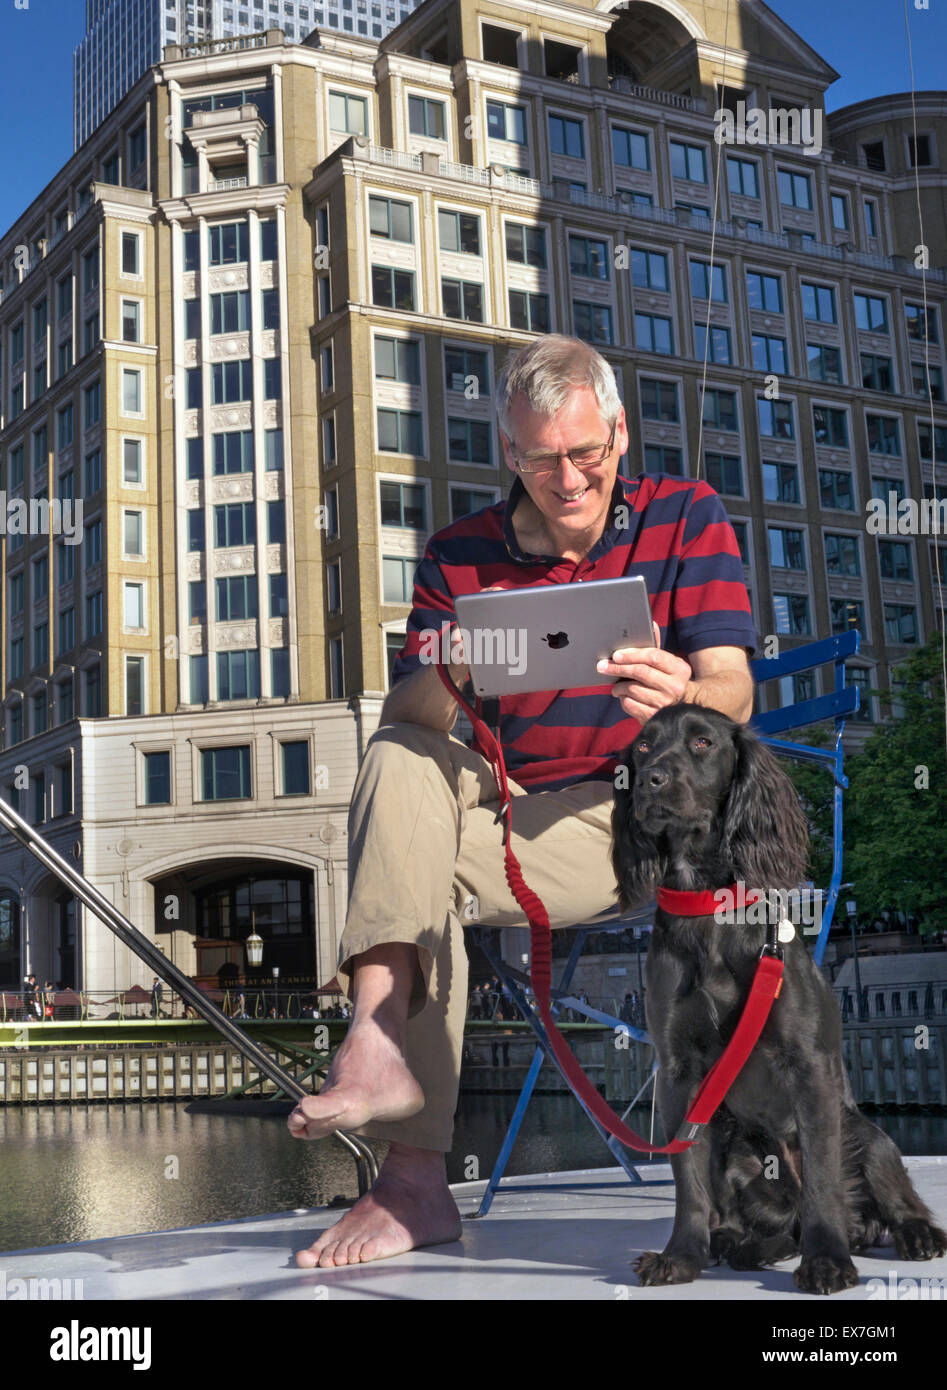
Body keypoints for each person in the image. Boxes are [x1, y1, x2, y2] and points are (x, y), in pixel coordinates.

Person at [286, 335, 755, 1268]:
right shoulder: (458, 555)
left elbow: (735, 692)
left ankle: (411, 1172)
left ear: (620, 435)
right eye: (541, 458)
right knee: (400, 751)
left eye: (586, 452)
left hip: (631, 807)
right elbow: (410, 718)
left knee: (417, 877)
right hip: (499, 800)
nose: (567, 478)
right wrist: (448, 663)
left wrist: (684, 702)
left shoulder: (685, 516)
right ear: (510, 453)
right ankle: (379, 1041)